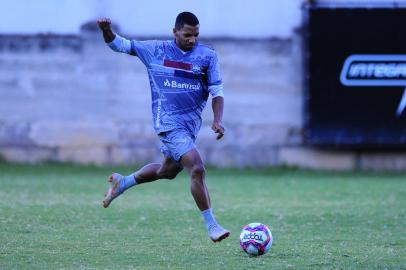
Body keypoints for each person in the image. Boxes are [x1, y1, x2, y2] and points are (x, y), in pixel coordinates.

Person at [97, 11, 230, 242]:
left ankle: (123, 182)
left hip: (190, 126)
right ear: (175, 32)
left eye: (196, 35)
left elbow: (217, 91)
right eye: (187, 35)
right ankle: (212, 226)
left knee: (166, 171)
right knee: (197, 168)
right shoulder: (156, 50)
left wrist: (217, 120)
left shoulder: (208, 56)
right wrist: (106, 31)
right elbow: (120, 45)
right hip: (167, 123)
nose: (192, 40)